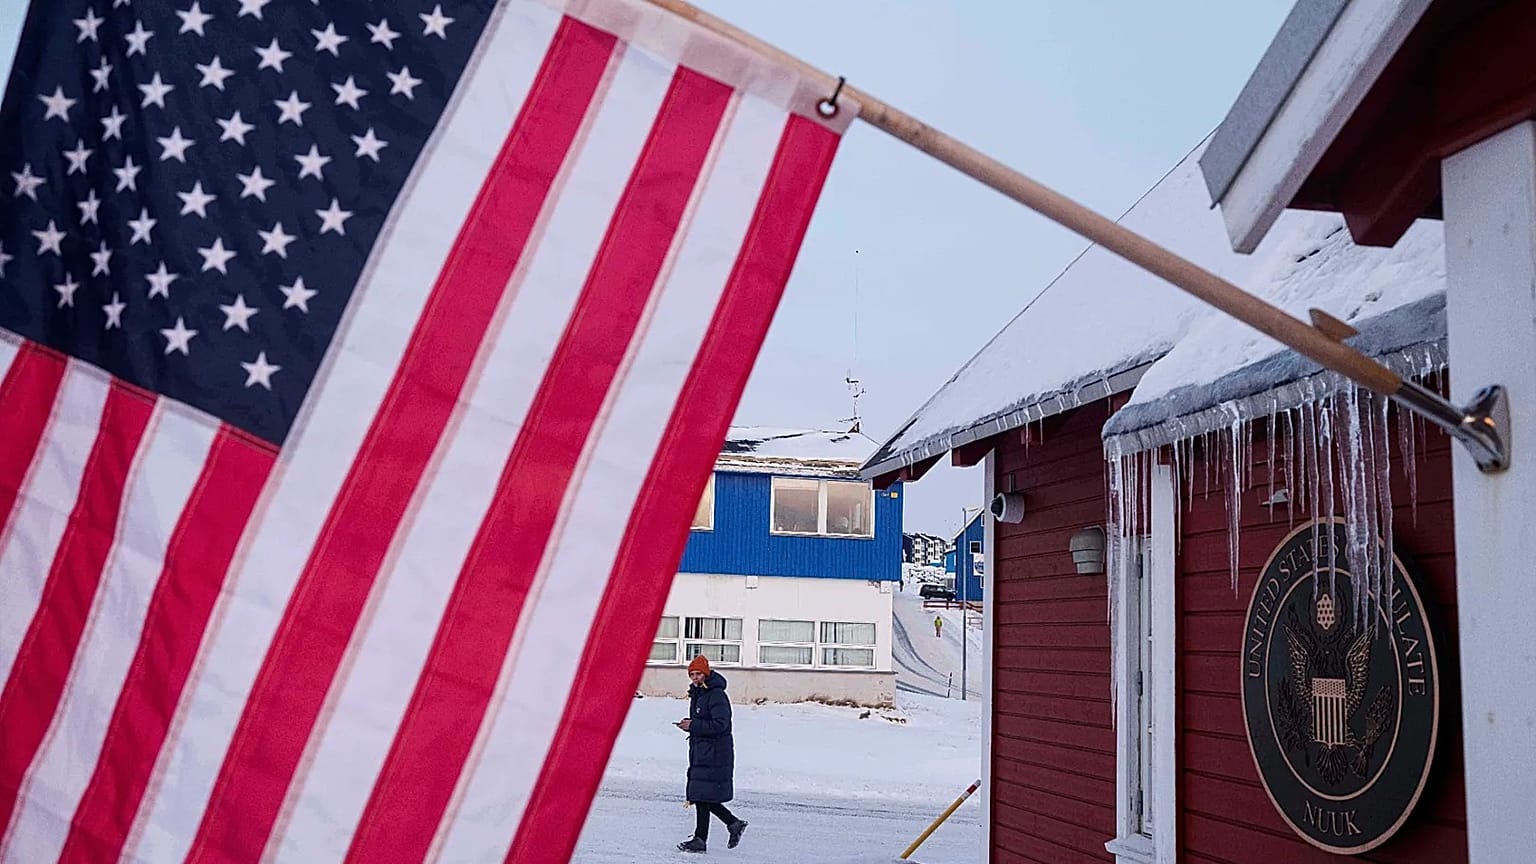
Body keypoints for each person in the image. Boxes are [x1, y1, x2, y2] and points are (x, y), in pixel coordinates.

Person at [675, 655, 747, 853]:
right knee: (701, 794)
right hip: (703, 752)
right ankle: (702, 838)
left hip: (716, 753)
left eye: (698, 674)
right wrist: (690, 725)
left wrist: (694, 725)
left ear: (706, 674)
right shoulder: (699, 694)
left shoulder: (716, 695)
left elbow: (720, 724)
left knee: (701, 795)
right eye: (692, 675)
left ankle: (731, 823)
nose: (695, 678)